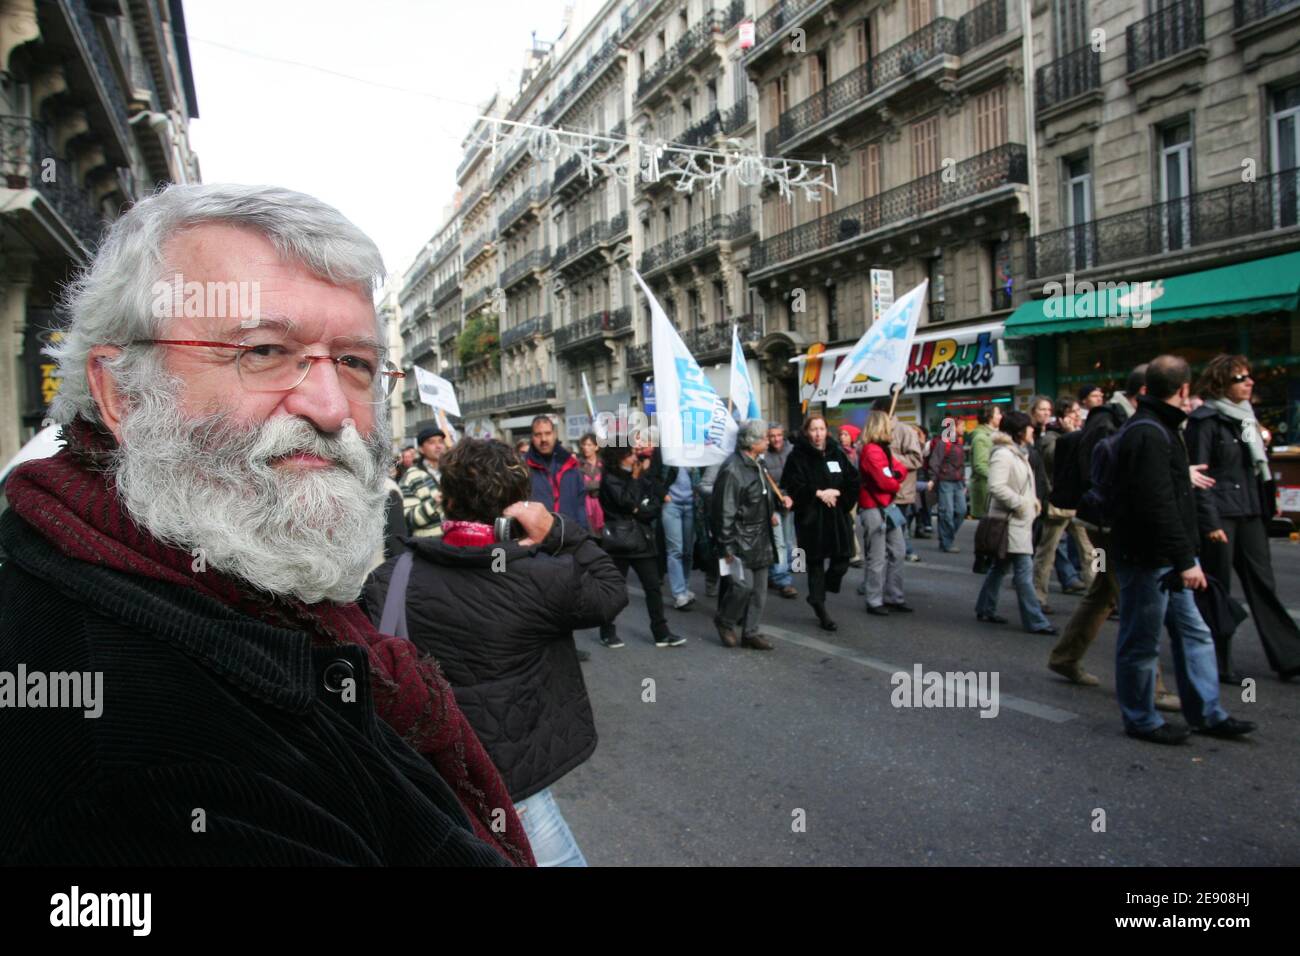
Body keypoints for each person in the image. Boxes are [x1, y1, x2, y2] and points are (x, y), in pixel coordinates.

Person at [0, 183, 526, 865]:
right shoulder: (146, 771)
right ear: (121, 391)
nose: (332, 406)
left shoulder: (247, 581)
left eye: (356, 363)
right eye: (264, 352)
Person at [362, 439, 627, 866]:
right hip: (511, 783)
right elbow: (610, 590)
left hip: (427, 778)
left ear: (445, 500)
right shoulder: (542, 575)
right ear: (519, 504)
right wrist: (559, 531)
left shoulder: (390, 578)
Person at [1110, 355, 1256, 744]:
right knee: (1141, 643)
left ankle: (1207, 712)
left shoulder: (1160, 428)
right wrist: (1184, 559)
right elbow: (1157, 505)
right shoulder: (1150, 432)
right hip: (1148, 559)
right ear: (1185, 389)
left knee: (1195, 635)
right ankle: (1141, 719)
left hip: (1165, 558)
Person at [1048, 364, 1180, 710]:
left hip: (1104, 525)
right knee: (1135, 602)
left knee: (1105, 589)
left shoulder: (1115, 420)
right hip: (1108, 528)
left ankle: (1065, 656)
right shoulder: (1109, 423)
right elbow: (1103, 477)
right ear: (1143, 395)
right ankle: (1151, 687)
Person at [1188, 355, 1300, 681]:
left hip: (1250, 511)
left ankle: (1290, 656)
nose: (1249, 382)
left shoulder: (1247, 419)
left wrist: (1267, 506)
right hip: (1221, 514)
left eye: (1250, 377)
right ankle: (1218, 660)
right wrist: (1209, 524)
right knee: (1217, 588)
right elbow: (1200, 477)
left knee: (1263, 584)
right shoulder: (1205, 420)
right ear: (1221, 382)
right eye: (1240, 378)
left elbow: (1255, 469)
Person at [974, 411, 1056, 635]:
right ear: (1020, 431)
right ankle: (1035, 621)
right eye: (1030, 427)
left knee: (999, 568)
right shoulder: (1004, 454)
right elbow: (996, 486)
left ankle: (985, 607)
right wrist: (1022, 503)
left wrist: (1033, 502)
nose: (1033, 430)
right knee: (1023, 572)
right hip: (1010, 520)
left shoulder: (1019, 453)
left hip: (1018, 520)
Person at [597, 444, 685, 649]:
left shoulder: (636, 476)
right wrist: (636, 487)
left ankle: (661, 632)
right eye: (629, 454)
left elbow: (651, 503)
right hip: (620, 542)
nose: (634, 457)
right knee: (615, 589)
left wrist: (641, 506)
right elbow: (627, 502)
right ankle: (607, 631)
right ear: (618, 457)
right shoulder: (610, 479)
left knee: (653, 586)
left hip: (642, 539)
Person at [783, 414, 860, 632]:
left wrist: (838, 492)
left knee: (842, 560)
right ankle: (819, 606)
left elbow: (853, 480)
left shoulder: (837, 453)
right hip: (812, 518)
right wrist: (817, 493)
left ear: (827, 431)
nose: (818, 434)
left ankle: (822, 590)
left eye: (821, 429)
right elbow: (792, 484)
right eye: (814, 429)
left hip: (837, 516)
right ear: (807, 432)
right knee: (815, 564)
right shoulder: (797, 456)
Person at [711, 419, 781, 650]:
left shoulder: (757, 463)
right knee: (742, 587)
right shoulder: (732, 468)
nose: (768, 441)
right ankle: (725, 621)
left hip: (760, 535)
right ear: (751, 443)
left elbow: (760, 493)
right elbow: (724, 510)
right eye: (763, 438)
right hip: (740, 538)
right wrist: (727, 546)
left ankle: (751, 632)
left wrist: (770, 511)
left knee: (760, 590)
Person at [1032, 398, 1091, 612]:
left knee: (1093, 551)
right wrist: (1070, 435)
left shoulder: (1081, 434)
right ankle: (1038, 596)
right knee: (1046, 552)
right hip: (1058, 505)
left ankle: (1100, 591)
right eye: (1074, 412)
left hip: (1080, 503)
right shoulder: (1051, 436)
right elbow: (1053, 459)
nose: (1078, 416)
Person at [858, 410, 912, 616]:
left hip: (886, 506)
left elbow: (898, 471)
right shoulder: (872, 451)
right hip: (874, 507)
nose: (892, 427)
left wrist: (894, 478)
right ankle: (874, 599)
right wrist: (895, 480)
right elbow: (885, 481)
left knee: (898, 551)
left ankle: (893, 595)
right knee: (877, 556)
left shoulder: (882, 449)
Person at [873, 396, 926, 563]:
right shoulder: (874, 431)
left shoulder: (905, 431)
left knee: (895, 530)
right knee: (881, 533)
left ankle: (899, 557)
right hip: (878, 492)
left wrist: (890, 459)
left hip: (900, 492)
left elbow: (916, 459)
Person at [526, 415, 589, 530]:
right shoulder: (523, 468)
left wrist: (583, 531)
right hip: (538, 537)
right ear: (532, 437)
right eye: (538, 435)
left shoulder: (571, 464)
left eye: (547, 433)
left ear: (554, 434)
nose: (543, 439)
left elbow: (580, 503)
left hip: (570, 534)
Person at [762, 423, 799, 599]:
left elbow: (796, 478)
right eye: (772, 436)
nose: (776, 439)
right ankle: (783, 580)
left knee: (789, 541)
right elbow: (764, 485)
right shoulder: (763, 456)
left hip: (788, 504)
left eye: (778, 435)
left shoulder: (792, 451)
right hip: (772, 504)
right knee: (779, 543)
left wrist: (791, 496)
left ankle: (775, 572)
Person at [660, 457, 701, 610]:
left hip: (692, 505)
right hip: (672, 505)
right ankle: (679, 594)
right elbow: (655, 476)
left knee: (688, 551)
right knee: (675, 549)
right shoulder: (667, 450)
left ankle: (684, 587)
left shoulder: (695, 449)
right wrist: (663, 494)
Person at [928, 416, 967, 553]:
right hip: (945, 482)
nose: (964, 428)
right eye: (962, 426)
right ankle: (946, 541)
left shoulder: (959, 443)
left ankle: (946, 537)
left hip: (957, 482)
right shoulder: (944, 443)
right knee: (947, 513)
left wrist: (963, 481)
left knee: (961, 511)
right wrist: (933, 479)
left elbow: (961, 465)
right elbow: (935, 461)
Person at [401, 425, 447, 538]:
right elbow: (408, 519)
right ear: (421, 449)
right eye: (431, 443)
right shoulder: (412, 477)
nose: (438, 446)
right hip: (429, 546)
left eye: (441, 442)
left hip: (456, 545)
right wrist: (436, 502)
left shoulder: (453, 472)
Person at [968, 403, 1002, 523]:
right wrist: (998, 478)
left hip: (992, 487)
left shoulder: (995, 434)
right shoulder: (981, 437)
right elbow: (980, 465)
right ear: (989, 416)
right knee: (989, 528)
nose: (1000, 416)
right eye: (998, 413)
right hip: (986, 489)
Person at [577, 432, 605, 533]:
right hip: (586, 505)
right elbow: (578, 485)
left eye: (589, 445)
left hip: (603, 504)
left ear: (596, 447)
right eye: (584, 445)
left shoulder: (604, 463)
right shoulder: (578, 464)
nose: (586, 448)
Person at [912, 425, 935, 537]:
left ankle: (922, 525)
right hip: (913, 475)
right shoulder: (910, 445)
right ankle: (918, 526)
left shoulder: (926, 445)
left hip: (922, 474)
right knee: (916, 504)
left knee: (922, 503)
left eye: (918, 433)